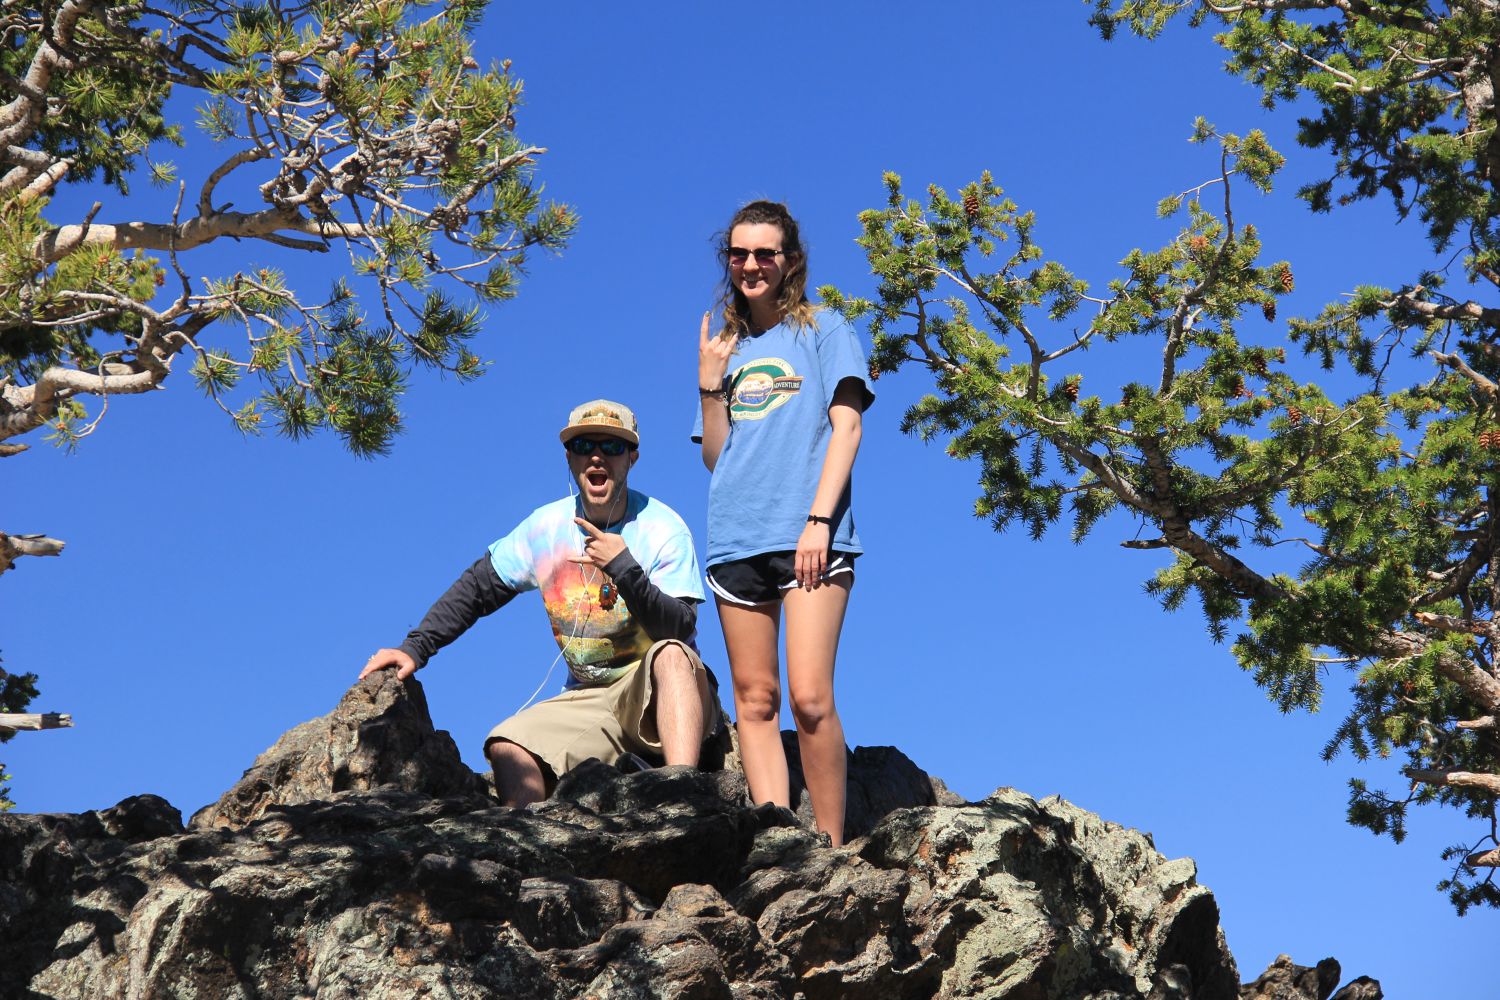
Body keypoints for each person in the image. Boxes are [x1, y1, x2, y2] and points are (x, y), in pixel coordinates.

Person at [360, 399, 718, 807]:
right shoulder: (545, 527)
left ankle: (684, 801)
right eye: (584, 445)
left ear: (632, 458)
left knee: (671, 655)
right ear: (569, 458)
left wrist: (623, 567)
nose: (597, 456)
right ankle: (534, 855)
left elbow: (680, 627)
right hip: (590, 699)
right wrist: (415, 648)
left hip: (662, 693)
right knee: (508, 745)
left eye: (613, 447)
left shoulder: (663, 528)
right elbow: (478, 587)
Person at [693, 201, 874, 847]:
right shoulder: (729, 349)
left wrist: (819, 521)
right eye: (738, 254)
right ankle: (780, 845)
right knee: (755, 702)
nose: (750, 265)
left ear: (791, 260)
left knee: (810, 698)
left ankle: (832, 845)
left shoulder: (826, 329)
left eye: (764, 253)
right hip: (735, 538)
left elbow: (847, 427)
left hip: (811, 537)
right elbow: (718, 456)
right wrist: (711, 384)